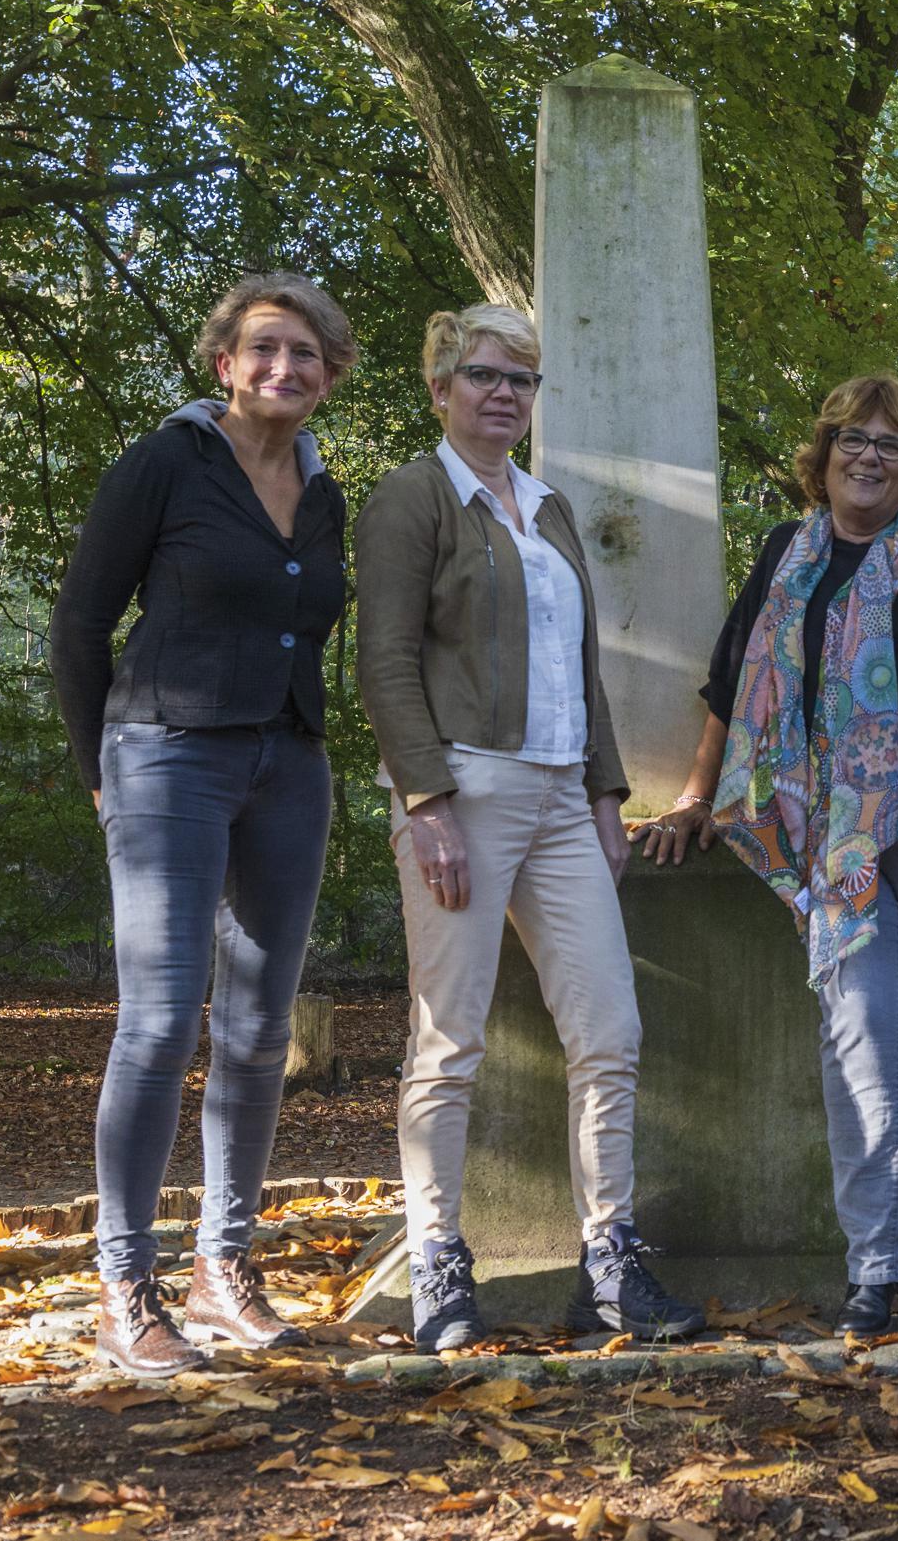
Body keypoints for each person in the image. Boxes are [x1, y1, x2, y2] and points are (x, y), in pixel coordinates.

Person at [633, 374, 898, 1338]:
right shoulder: (788, 555)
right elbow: (730, 691)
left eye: (889, 444)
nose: (868, 455)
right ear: (821, 458)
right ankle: (876, 1263)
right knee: (859, 1033)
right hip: (834, 847)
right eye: (852, 439)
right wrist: (695, 798)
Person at [355, 303, 704, 1354]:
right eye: (483, 375)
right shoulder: (412, 498)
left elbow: (582, 667)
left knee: (610, 1032)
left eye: (521, 379)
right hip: (462, 789)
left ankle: (611, 1261)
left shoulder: (547, 507)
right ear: (440, 388)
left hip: (561, 800)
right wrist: (426, 803)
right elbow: (385, 662)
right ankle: (438, 1263)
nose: (504, 393)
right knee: (449, 1040)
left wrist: (603, 795)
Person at [50, 273, 357, 1377]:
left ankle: (222, 1270)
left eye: (306, 352)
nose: (285, 367)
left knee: (260, 1030)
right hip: (165, 755)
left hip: (289, 765)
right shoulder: (166, 463)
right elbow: (80, 622)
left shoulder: (324, 493)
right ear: (224, 363)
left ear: (329, 376)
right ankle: (123, 1284)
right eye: (264, 348)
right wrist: (100, 771)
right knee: (161, 1020)